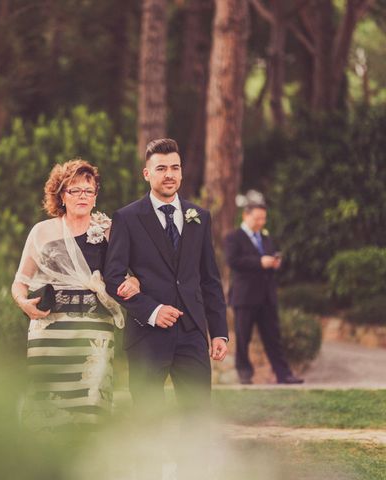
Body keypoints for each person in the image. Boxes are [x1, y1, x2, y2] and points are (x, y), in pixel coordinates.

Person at [11, 159, 140, 430]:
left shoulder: (109, 230)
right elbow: (19, 282)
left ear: (95, 196)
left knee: (91, 402)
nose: (82, 196)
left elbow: (132, 273)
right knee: (49, 404)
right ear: (61, 194)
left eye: (88, 190)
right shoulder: (41, 232)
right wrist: (24, 303)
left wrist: (135, 282)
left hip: (95, 330)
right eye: (75, 190)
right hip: (49, 330)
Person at [104, 138, 228, 409]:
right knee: (149, 416)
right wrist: (152, 310)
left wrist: (219, 331)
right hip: (147, 334)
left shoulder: (200, 216)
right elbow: (113, 278)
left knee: (197, 413)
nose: (169, 174)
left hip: (192, 332)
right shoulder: (126, 218)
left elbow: (209, 279)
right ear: (147, 174)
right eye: (161, 168)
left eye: (175, 167)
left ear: (182, 172)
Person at [224, 203, 303, 384]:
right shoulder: (234, 237)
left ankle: (284, 374)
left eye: (263, 218)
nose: (261, 222)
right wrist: (260, 262)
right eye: (257, 218)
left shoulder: (265, 237)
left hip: (267, 297)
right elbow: (233, 261)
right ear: (246, 216)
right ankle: (245, 375)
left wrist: (274, 263)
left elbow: (269, 259)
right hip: (244, 297)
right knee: (243, 338)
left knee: (273, 337)